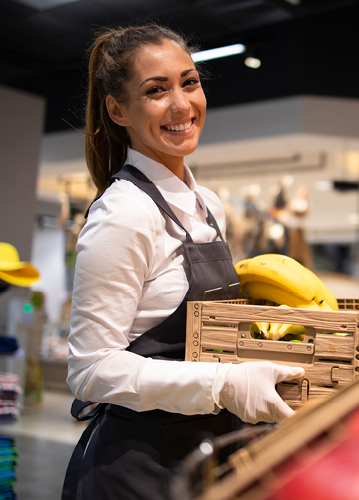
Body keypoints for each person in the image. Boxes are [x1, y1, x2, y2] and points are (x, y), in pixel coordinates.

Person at [61, 24, 304, 500]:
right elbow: (90, 369)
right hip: (137, 468)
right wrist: (224, 383)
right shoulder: (124, 213)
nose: (181, 105)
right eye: (156, 91)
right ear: (117, 110)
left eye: (188, 82)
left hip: (205, 453)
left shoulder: (208, 204)